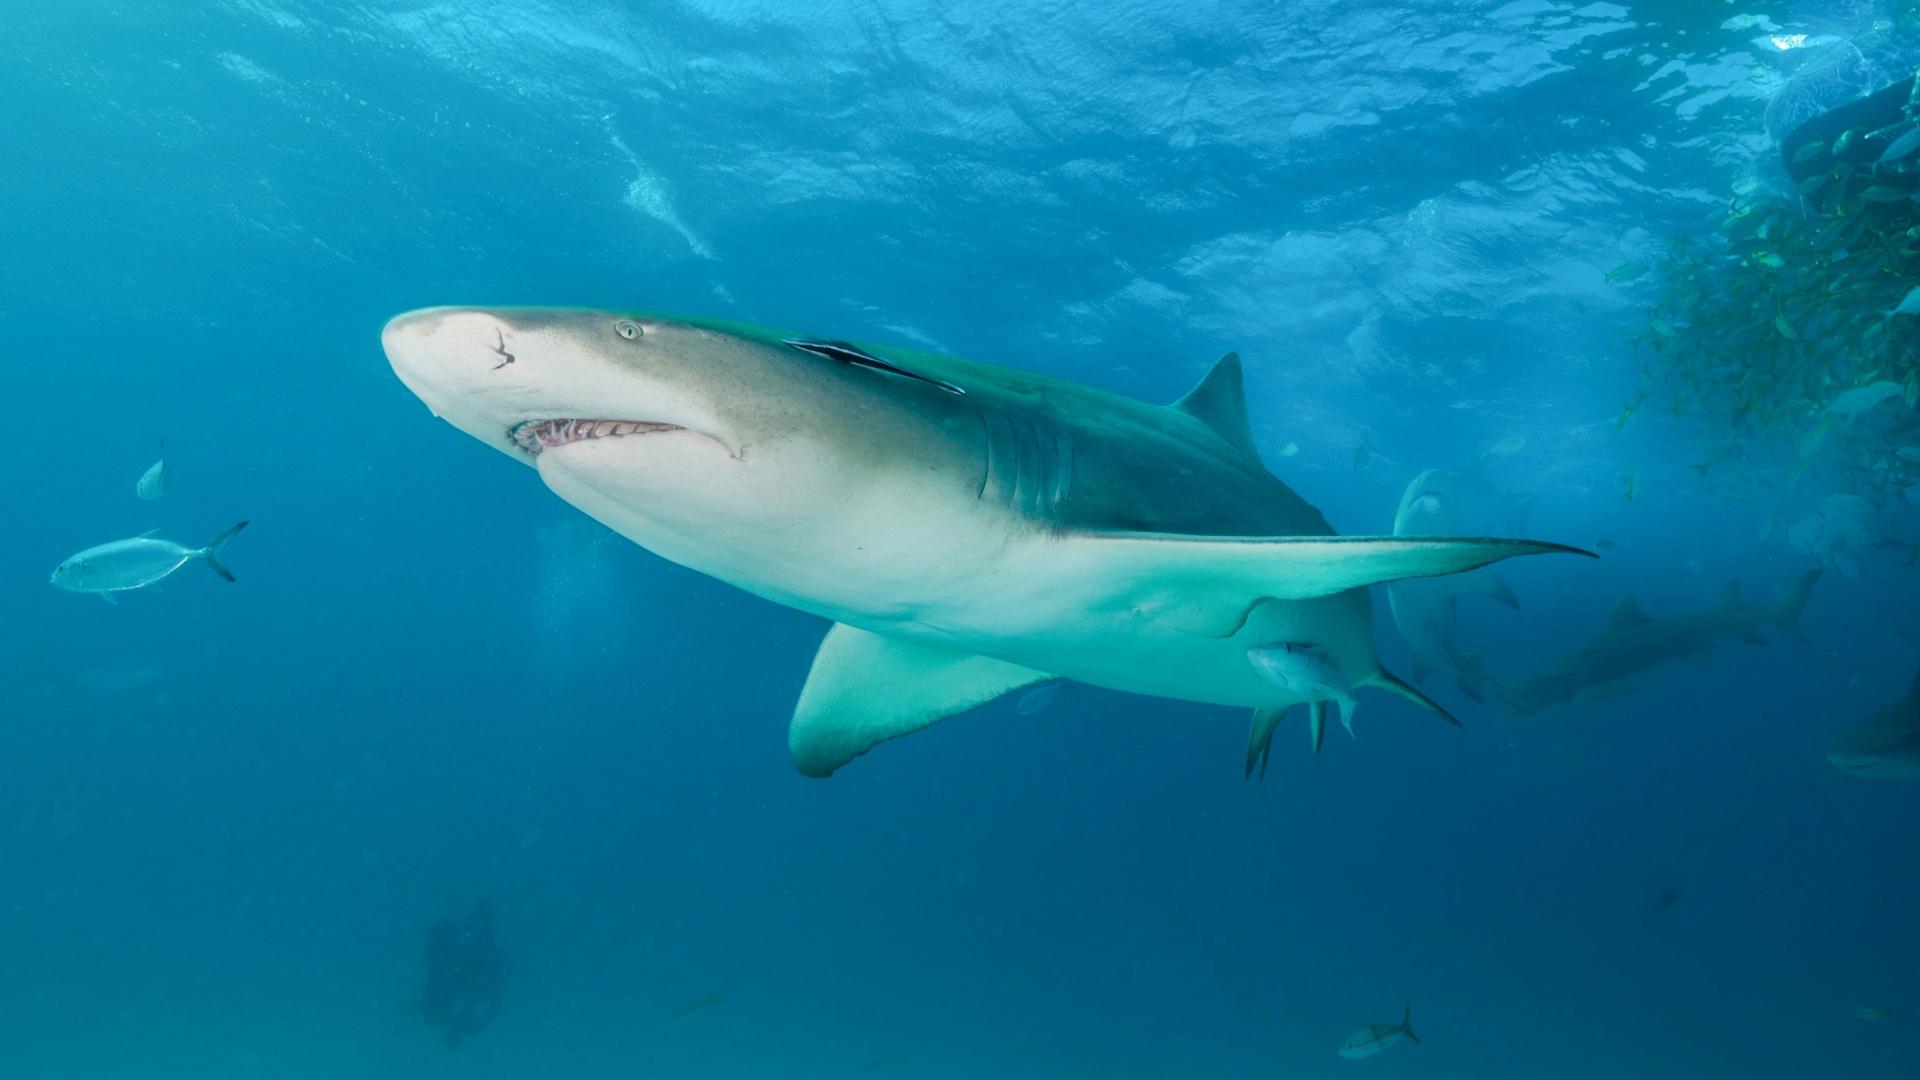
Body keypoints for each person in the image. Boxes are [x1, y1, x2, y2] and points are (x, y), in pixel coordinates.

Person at [417, 901, 507, 1048]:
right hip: (466, 977)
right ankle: (481, 917)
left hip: (466, 976)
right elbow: (494, 1003)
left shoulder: (452, 964)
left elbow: (493, 1002)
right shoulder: (449, 965)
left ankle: (481, 917)